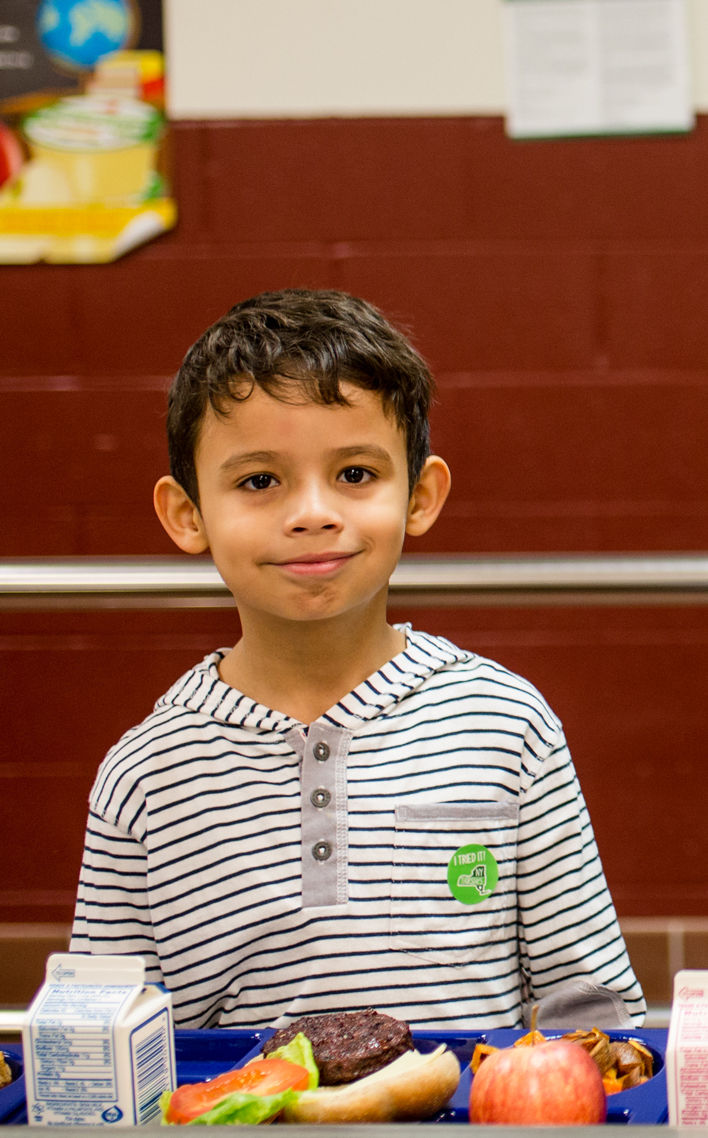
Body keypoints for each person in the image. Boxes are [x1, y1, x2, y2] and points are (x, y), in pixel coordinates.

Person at [68, 289, 645, 1029]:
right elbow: (104, 1046)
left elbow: (589, 1012)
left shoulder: (506, 724)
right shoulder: (143, 776)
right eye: (258, 481)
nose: (313, 512)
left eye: (354, 475)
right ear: (188, 515)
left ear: (421, 496)